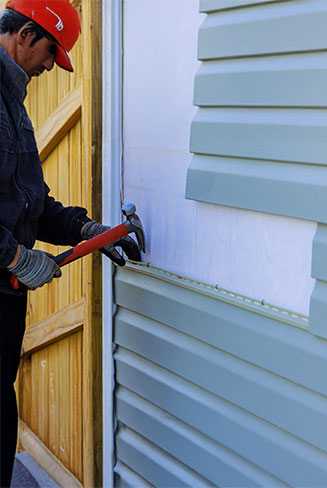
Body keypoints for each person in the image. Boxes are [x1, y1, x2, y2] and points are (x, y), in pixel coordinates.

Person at [0, 1, 140, 485]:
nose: (47, 67)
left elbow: (27, 204)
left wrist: (85, 230)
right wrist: (16, 257)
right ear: (24, 34)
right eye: (49, 53)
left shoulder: (12, 103)